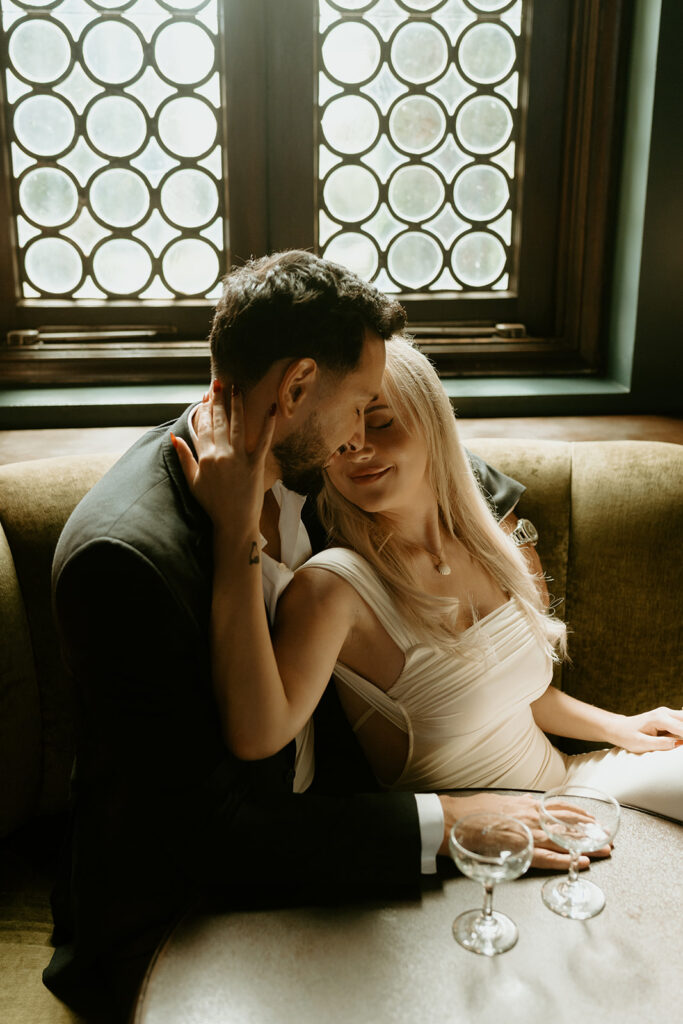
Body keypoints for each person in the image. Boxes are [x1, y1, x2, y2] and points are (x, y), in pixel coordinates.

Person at [44, 251, 542, 1023]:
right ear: (298, 386)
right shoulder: (123, 558)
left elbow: (456, 473)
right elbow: (204, 832)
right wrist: (446, 822)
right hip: (189, 907)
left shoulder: (310, 459)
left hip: (340, 842)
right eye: (360, 405)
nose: (359, 437)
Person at [177, 337, 683, 826]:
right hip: (482, 840)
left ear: (433, 424)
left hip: (576, 785)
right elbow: (256, 734)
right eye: (342, 438)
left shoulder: (491, 542)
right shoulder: (332, 590)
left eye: (378, 423)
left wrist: (623, 726)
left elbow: (512, 693)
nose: (357, 448)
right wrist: (235, 529)